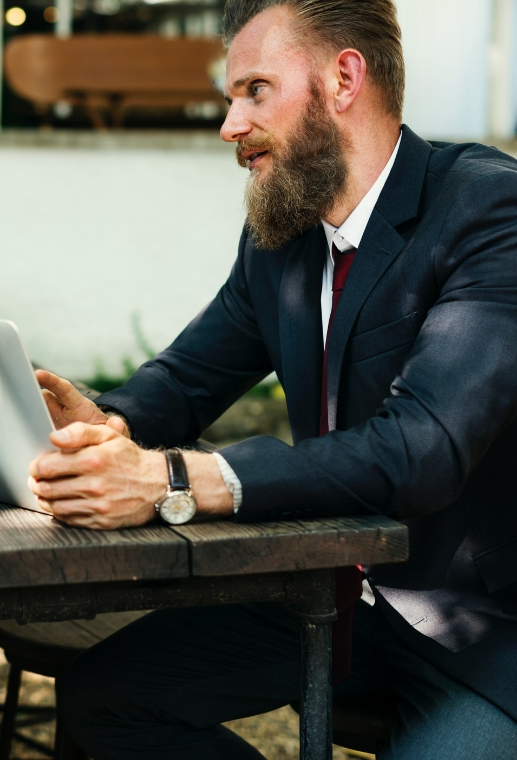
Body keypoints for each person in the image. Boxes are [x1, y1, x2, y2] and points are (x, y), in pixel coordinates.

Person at [29, 1, 517, 757]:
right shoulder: (283, 233)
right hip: (331, 595)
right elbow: (187, 379)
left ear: (344, 78)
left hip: (483, 633)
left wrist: (172, 481)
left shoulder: (489, 210)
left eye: (254, 90)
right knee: (106, 700)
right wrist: (104, 423)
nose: (229, 124)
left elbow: (421, 448)